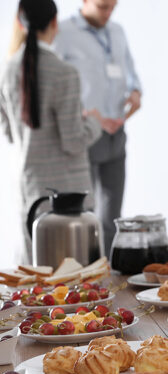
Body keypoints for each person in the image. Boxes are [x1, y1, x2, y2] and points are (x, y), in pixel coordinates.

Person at [0, 0, 111, 264]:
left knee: (37, 281)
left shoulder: (7, 71)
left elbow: (10, 133)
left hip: (30, 188)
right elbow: (73, 141)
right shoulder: (64, 73)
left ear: (21, 22)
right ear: (54, 23)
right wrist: (94, 122)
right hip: (69, 197)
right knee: (80, 286)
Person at [54, 0, 142, 257]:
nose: (108, 13)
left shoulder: (117, 31)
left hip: (116, 134)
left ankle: (110, 274)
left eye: (113, 7)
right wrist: (85, 114)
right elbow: (56, 86)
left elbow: (131, 72)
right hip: (86, 133)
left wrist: (136, 92)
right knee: (85, 214)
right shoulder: (63, 32)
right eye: (103, 6)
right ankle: (84, 274)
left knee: (113, 215)